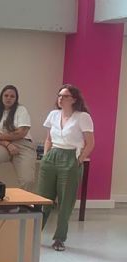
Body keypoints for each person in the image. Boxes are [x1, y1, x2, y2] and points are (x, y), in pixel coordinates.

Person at [37, 84, 95, 251]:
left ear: (74, 99)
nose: (61, 98)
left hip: (71, 156)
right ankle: (35, 233)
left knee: (65, 201)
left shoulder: (82, 116)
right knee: (43, 199)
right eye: (59, 95)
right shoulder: (53, 115)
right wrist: (46, 155)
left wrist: (79, 160)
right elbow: (48, 138)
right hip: (52, 156)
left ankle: (59, 238)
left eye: (65, 96)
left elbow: (90, 143)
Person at [0, 85, 35, 190]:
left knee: (28, 180)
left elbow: (21, 133)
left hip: (23, 145)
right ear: (1, 97)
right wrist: (8, 144)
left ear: (16, 99)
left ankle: (24, 205)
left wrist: (0, 136)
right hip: (3, 145)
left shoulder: (21, 110)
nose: (8, 98)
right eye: (6, 95)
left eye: (12, 96)